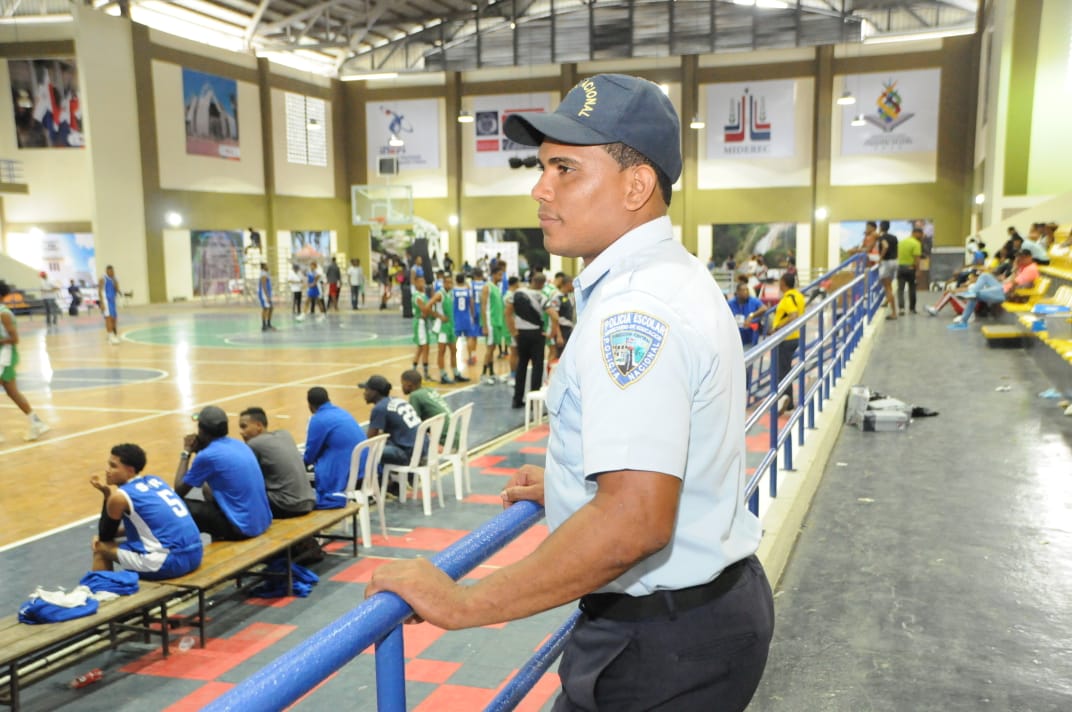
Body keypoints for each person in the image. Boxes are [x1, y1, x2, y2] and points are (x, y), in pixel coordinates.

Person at [367, 74, 773, 712]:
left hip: (659, 646)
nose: (540, 188)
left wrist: (462, 602)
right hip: (702, 617)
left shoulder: (634, 311)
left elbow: (633, 523)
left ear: (636, 186)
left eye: (565, 169)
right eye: (542, 166)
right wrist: (572, 484)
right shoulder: (673, 275)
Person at [90, 443, 202, 579]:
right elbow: (153, 525)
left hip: (168, 563)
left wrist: (106, 495)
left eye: (113, 466)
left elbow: (105, 535)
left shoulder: (120, 496)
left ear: (130, 470)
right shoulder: (155, 481)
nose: (107, 470)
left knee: (100, 547)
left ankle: (100, 589)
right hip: (195, 554)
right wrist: (117, 533)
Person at [174, 406, 273, 541]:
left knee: (177, 505)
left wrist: (186, 452)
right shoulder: (239, 445)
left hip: (242, 528)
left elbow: (179, 490)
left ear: (202, 431)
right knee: (207, 490)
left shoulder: (207, 456)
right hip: (262, 521)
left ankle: (187, 548)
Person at [238, 407, 315, 519]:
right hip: (309, 500)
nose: (241, 432)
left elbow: (245, 479)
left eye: (244, 426)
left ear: (258, 425)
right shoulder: (285, 434)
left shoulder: (254, 444)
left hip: (287, 505)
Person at [0, 280, 50, 441]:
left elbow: (14, 339)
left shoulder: (4, 314)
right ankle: (36, 422)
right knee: (12, 392)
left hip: (5, 357)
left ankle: (36, 423)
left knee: (13, 392)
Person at [303, 387, 366, 508]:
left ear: (310, 405)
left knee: (303, 473)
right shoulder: (342, 412)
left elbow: (309, 457)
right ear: (328, 399)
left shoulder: (318, 419)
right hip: (365, 470)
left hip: (346, 475)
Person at [506, 272, 550, 409]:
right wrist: (551, 333)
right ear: (542, 284)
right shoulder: (541, 296)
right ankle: (533, 403)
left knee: (521, 365)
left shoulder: (517, 293)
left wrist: (513, 331)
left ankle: (517, 399)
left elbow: (507, 313)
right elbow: (554, 315)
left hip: (521, 334)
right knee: (537, 367)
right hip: (536, 334)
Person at [360, 374, 422, 469]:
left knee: (364, 451)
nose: (364, 393)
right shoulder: (398, 400)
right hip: (421, 448)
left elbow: (369, 440)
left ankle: (376, 477)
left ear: (374, 392)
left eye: (366, 390)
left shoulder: (379, 408)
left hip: (408, 454)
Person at [771, 272, 805, 414]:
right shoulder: (798, 295)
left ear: (783, 283)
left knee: (783, 371)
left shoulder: (787, 299)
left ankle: (787, 400)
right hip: (796, 336)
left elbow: (793, 314)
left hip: (786, 338)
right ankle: (787, 400)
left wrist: (778, 327)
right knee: (785, 369)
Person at [400, 369, 452, 444]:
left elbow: (413, 424)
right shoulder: (430, 390)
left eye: (402, 384)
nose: (402, 386)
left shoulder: (415, 396)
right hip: (454, 436)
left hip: (444, 442)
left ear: (409, 384)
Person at [728, 280, 768, 347]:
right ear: (737, 292)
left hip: (751, 336)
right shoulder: (731, 303)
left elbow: (764, 308)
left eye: (747, 290)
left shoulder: (753, 300)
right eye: (743, 290)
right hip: (736, 337)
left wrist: (751, 315)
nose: (746, 292)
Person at [411, 273, 433, 381]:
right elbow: (425, 310)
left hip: (424, 323)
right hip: (420, 323)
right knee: (425, 347)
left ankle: (413, 371)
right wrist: (431, 305)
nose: (422, 283)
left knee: (420, 348)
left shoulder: (423, 294)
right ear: (415, 283)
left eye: (423, 281)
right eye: (420, 281)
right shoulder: (417, 296)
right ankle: (425, 374)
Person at [897, 227, 923, 315]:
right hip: (911, 268)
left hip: (900, 268)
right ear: (916, 233)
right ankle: (912, 309)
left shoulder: (901, 242)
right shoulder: (916, 243)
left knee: (900, 289)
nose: (921, 236)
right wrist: (918, 270)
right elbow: (917, 258)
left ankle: (901, 308)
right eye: (921, 234)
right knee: (912, 288)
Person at [877, 220, 899, 319]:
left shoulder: (882, 237)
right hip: (895, 261)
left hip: (886, 263)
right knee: (889, 286)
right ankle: (887, 302)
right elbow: (896, 250)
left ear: (881, 227)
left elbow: (885, 246)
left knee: (888, 288)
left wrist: (880, 258)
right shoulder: (894, 237)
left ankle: (894, 312)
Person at [98, 264, 120, 345]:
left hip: (113, 301)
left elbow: (117, 290)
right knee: (108, 319)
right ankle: (111, 337)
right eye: (109, 271)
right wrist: (101, 303)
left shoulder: (115, 279)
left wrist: (115, 283)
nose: (111, 272)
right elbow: (99, 291)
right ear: (107, 271)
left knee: (114, 318)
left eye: (112, 271)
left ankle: (113, 334)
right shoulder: (103, 279)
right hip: (106, 302)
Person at [257, 262, 276, 331]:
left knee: (271, 308)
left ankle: (268, 324)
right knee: (265, 309)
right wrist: (267, 296)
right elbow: (263, 286)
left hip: (267, 294)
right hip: (264, 294)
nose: (268, 266)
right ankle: (264, 326)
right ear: (263, 267)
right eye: (266, 266)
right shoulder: (263, 274)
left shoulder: (265, 273)